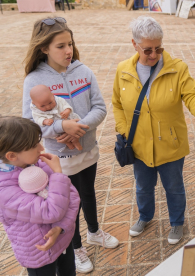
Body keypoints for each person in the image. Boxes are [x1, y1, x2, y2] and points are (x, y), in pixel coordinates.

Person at [112, 16, 195, 245]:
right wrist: (124, 131)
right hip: (139, 144)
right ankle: (144, 217)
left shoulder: (177, 68)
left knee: (174, 187)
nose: (154, 55)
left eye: (158, 48)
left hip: (170, 143)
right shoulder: (123, 70)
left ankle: (177, 222)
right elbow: (117, 104)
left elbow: (193, 95)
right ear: (134, 44)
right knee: (143, 187)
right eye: (147, 50)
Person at [22, 17, 119, 273]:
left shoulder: (84, 72)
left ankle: (94, 232)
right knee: (68, 202)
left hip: (88, 150)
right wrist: (61, 128)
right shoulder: (33, 80)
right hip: (58, 159)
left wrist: (80, 127)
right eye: (61, 46)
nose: (68, 51)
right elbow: (28, 123)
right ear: (43, 48)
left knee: (88, 193)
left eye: (70, 44)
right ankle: (75, 247)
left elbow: (100, 108)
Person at [0, 116, 80, 276]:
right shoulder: (4, 189)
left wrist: (61, 227)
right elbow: (50, 211)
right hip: (38, 253)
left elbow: (73, 195)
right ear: (12, 156)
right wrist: (58, 174)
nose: (41, 148)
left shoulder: (37, 163)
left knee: (69, 272)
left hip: (62, 238)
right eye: (33, 146)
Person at [30, 84, 82, 151]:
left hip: (67, 120)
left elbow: (66, 105)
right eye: (42, 106)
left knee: (75, 131)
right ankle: (67, 142)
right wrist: (44, 121)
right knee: (58, 137)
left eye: (50, 103)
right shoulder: (35, 110)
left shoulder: (59, 100)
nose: (48, 107)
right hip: (54, 127)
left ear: (52, 95)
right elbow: (37, 119)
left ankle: (76, 141)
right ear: (34, 103)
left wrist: (67, 111)